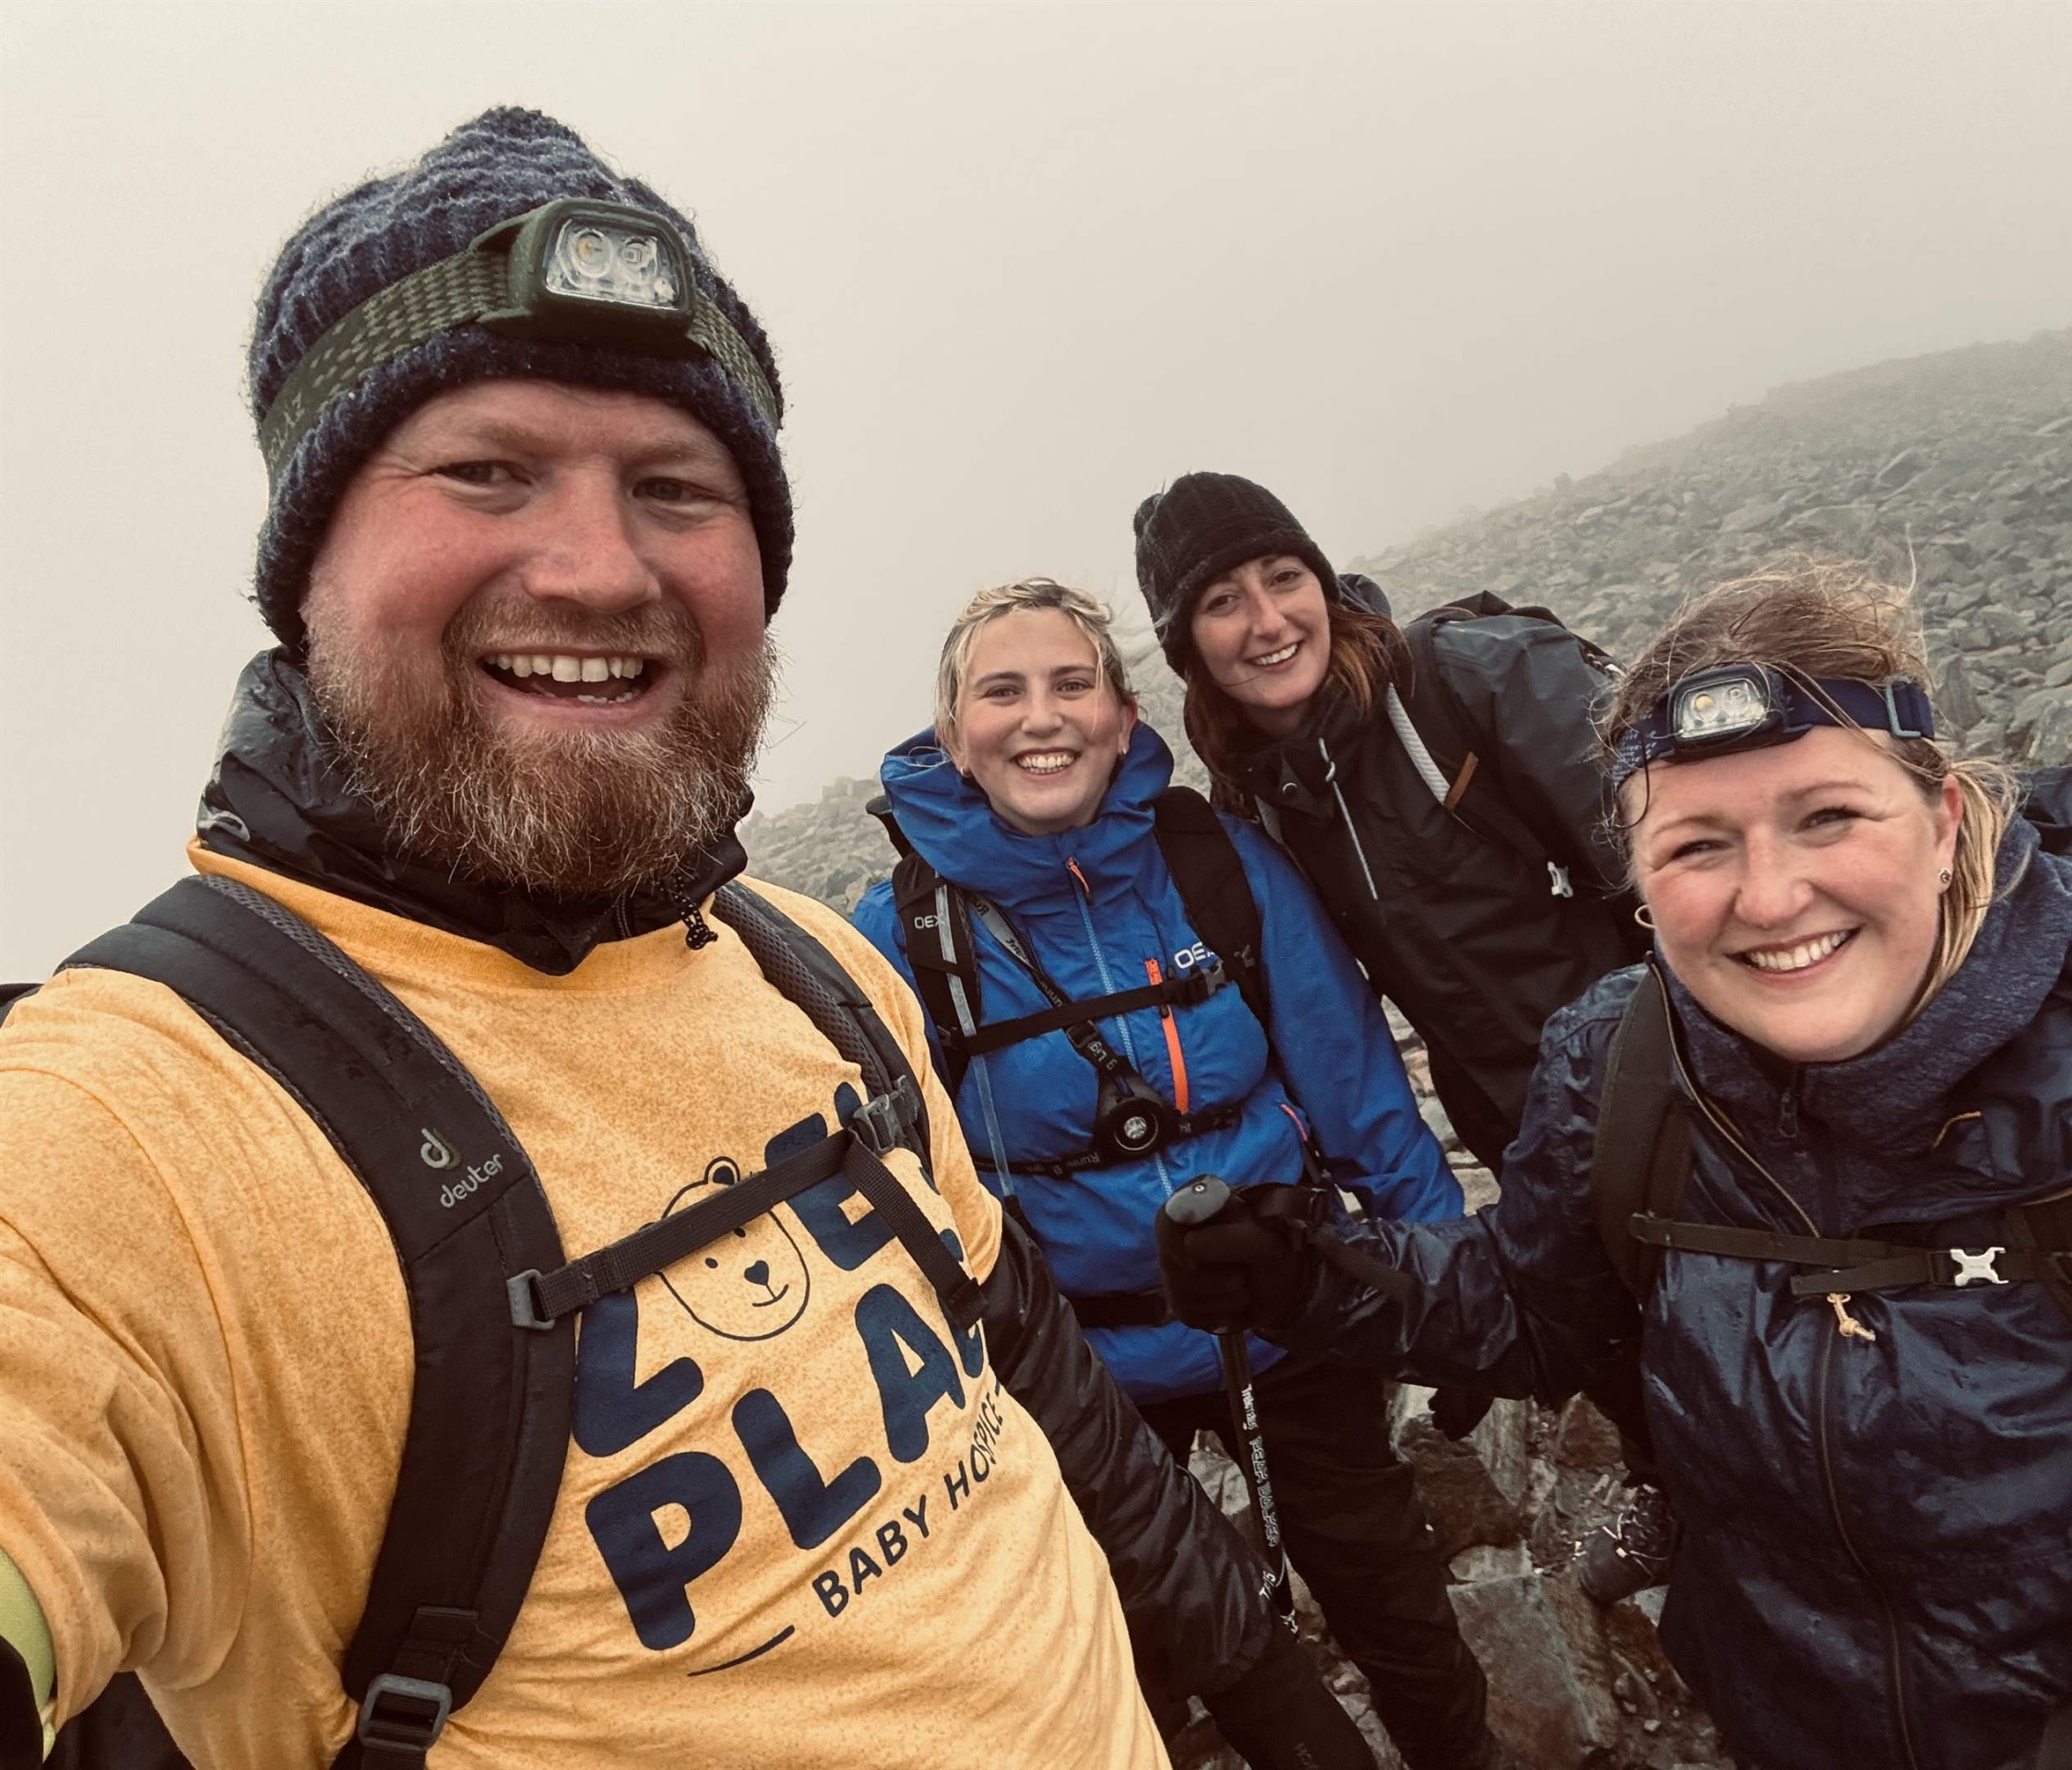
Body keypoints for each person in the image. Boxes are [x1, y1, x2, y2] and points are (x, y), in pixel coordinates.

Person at [0, 109, 1371, 1770]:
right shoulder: (120, 1126)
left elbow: (1030, 1379)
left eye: (677, 488)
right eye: (485, 470)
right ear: (303, 565)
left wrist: (1274, 1692)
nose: (595, 568)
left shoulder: (812, 968)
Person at [1156, 562, 2072, 1769]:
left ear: (1944, 821)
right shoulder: (1618, 1062)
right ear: (1631, 869)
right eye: (1697, 844)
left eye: (1828, 816)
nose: (1772, 896)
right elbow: (1541, 1313)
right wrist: (1309, 1267)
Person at [851, 579, 1505, 1770]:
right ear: (953, 737)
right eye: (1002, 691)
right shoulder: (901, 940)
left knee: (1389, 1591)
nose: (1040, 717)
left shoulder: (1216, 865)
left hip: (1289, 1315)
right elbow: (900, 1199)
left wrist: (1445, 1294)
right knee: (1152, 1648)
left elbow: (1354, 1085)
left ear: (1121, 715)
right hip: (1089, 1379)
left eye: (1071, 685)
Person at [1132, 472, 1664, 1599]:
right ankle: (1678, 1484)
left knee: (1733, 1290)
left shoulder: (1465, 679)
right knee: (1602, 1317)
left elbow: (1664, 853)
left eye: (1285, 577)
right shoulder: (1258, 799)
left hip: (1655, 1059)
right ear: (1186, 650)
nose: (1270, 618)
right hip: (1504, 1102)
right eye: (1223, 602)